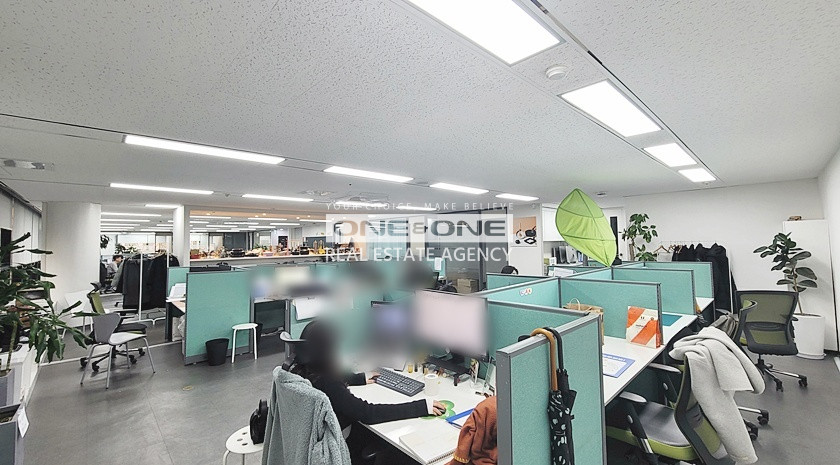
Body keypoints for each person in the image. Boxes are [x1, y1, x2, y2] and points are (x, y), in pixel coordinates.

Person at [290, 320, 446, 464]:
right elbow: (368, 413)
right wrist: (421, 407)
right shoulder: (329, 384)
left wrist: (359, 378)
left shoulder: (300, 371)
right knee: (391, 443)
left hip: (311, 441)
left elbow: (328, 377)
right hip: (339, 444)